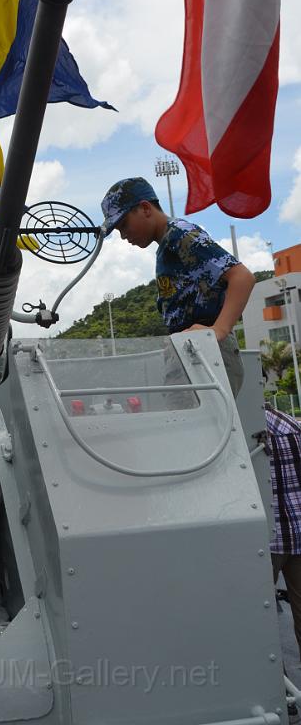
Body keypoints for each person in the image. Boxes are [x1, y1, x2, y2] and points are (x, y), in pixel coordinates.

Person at [100, 177, 255, 398]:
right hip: (191, 348)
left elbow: (242, 277)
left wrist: (218, 331)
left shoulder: (180, 234)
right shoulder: (167, 245)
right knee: (186, 423)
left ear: (145, 208)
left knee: (203, 429)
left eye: (124, 224)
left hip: (208, 351)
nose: (123, 235)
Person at [265, 403, 301, 665]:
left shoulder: (243, 429)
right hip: (299, 532)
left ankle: (277, 685)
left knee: (260, 619)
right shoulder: (293, 425)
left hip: (266, 539)